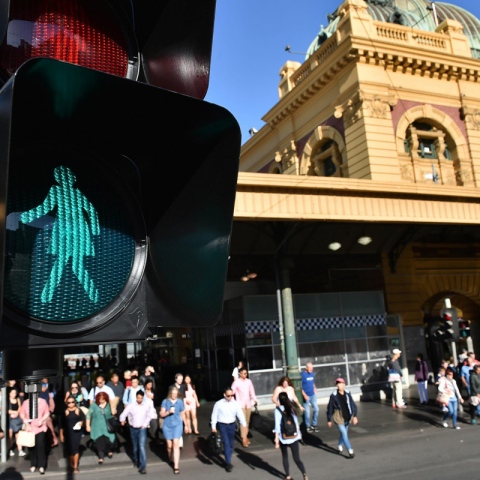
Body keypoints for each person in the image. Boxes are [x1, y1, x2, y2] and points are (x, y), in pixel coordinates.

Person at [120, 390, 157, 475]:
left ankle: (142, 467)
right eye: (138, 398)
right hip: (133, 428)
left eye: (141, 398)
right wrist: (122, 420)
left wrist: (145, 424)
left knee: (142, 446)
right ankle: (136, 460)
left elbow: (149, 416)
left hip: (142, 428)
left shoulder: (146, 406)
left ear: (143, 397)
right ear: (136, 397)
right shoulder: (131, 406)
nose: (139, 399)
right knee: (135, 447)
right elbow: (123, 414)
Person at [211, 387, 247, 473]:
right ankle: (228, 463)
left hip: (232, 425)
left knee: (231, 444)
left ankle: (228, 457)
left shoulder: (235, 404)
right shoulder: (218, 404)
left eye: (232, 395)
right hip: (222, 425)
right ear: (224, 395)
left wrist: (244, 424)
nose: (230, 397)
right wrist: (213, 427)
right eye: (228, 395)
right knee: (226, 443)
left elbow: (240, 414)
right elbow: (214, 415)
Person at [274, 392, 309, 480]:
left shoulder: (278, 410)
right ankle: (304, 474)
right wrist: (299, 434)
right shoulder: (292, 407)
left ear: (279, 400)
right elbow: (296, 423)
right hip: (294, 436)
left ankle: (288, 476)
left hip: (284, 437)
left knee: (285, 456)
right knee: (297, 458)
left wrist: (276, 439)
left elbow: (277, 426)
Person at [326, 378, 358, 458]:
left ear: (344, 384)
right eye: (338, 383)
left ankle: (340, 446)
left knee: (344, 434)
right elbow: (330, 407)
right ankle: (350, 450)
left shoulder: (347, 393)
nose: (339, 385)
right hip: (338, 416)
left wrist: (355, 416)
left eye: (341, 383)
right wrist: (329, 419)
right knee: (344, 434)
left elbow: (352, 404)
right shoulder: (333, 395)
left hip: (347, 415)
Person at [20, 395, 50, 474]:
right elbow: (22, 413)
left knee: (41, 446)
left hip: (40, 427)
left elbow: (47, 412)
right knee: (31, 447)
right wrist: (26, 422)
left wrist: (42, 420)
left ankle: (41, 466)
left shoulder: (43, 402)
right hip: (29, 428)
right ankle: (33, 464)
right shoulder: (26, 402)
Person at [160, 386, 186, 475]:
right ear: (170, 393)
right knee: (169, 446)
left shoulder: (180, 402)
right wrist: (168, 412)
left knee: (176, 443)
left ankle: (176, 466)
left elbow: (182, 413)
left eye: (176, 394)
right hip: (167, 425)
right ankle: (170, 458)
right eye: (173, 394)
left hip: (177, 425)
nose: (174, 395)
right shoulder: (165, 401)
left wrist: (185, 425)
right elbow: (161, 414)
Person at [86, 392, 116, 464]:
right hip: (97, 427)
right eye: (99, 399)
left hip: (107, 426)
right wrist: (87, 425)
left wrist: (114, 411)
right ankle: (101, 456)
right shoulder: (94, 405)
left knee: (109, 440)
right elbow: (88, 415)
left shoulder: (109, 404)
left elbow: (113, 412)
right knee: (99, 441)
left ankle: (109, 450)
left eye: (103, 399)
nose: (101, 401)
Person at [231, 367, 257, 447]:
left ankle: (245, 435)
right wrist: (232, 402)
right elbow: (232, 392)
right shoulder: (236, 382)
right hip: (240, 404)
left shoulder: (249, 381)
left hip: (248, 404)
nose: (246, 375)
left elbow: (252, 391)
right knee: (243, 421)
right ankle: (244, 438)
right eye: (244, 373)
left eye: (246, 373)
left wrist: (255, 400)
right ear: (240, 374)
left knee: (247, 421)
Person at [59, 395, 86, 473]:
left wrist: (81, 423)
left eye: (72, 402)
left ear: (75, 402)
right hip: (67, 433)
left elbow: (83, 419)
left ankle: (75, 466)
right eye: (69, 403)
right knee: (69, 450)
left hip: (76, 433)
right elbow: (61, 425)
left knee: (75, 449)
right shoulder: (64, 412)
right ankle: (71, 465)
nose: (71, 404)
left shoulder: (78, 410)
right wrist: (61, 435)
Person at [301, 362, 319, 432]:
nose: (311, 369)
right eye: (310, 368)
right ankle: (307, 426)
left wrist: (314, 388)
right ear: (306, 368)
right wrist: (304, 395)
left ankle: (314, 424)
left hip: (312, 395)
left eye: (312, 368)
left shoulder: (312, 374)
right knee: (307, 412)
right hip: (306, 395)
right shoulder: (303, 375)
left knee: (316, 409)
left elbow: (312, 382)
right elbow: (300, 386)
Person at [7, 388, 24, 457]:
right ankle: (9, 449)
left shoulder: (17, 399)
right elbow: (6, 409)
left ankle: (20, 450)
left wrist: (17, 412)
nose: (14, 394)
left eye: (15, 393)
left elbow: (20, 407)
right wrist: (14, 412)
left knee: (18, 435)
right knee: (10, 436)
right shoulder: (7, 400)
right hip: (10, 420)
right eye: (12, 393)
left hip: (17, 419)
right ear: (9, 393)